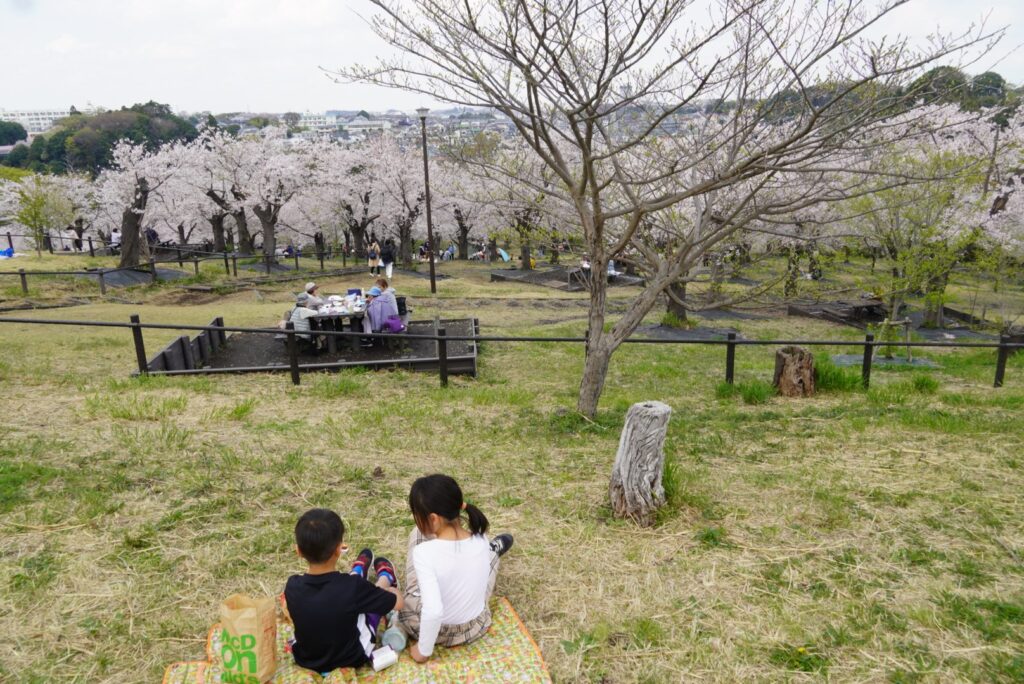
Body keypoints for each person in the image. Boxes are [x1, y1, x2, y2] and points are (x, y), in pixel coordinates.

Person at [398, 474, 514, 665]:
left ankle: (493, 553)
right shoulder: (480, 539)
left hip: (428, 629)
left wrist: (423, 651)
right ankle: (494, 551)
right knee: (487, 562)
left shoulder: (424, 552)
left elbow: (433, 611)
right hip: (473, 628)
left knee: (417, 536)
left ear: (433, 519)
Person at [285, 509, 403, 673]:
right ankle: (386, 577)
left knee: (358, 595)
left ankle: (358, 570)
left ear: (298, 551)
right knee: (370, 604)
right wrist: (391, 590)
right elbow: (397, 603)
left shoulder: (292, 586)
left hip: (306, 660)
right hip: (352, 658)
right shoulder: (351, 587)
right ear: (339, 550)